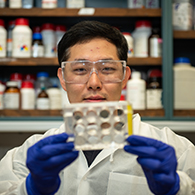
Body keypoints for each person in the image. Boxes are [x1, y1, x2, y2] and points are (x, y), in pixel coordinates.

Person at [0, 20, 195, 195]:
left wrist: (177, 188)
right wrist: (31, 188)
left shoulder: (177, 149)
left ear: (125, 77)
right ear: (62, 78)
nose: (94, 82)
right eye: (80, 70)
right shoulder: (29, 154)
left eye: (107, 69)